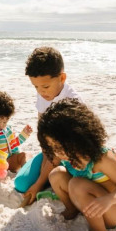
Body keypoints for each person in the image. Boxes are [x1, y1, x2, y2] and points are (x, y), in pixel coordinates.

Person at [38, 99, 116, 231]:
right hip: (88, 202)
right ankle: (72, 209)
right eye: (52, 147)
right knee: (56, 174)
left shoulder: (102, 158)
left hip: (110, 210)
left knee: (77, 184)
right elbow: (51, 168)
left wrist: (107, 200)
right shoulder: (67, 156)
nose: (56, 151)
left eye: (59, 146)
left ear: (77, 137)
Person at [14, 47, 83, 205]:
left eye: (45, 87)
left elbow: (59, 152)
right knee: (21, 185)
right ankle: (48, 179)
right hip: (52, 152)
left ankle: (51, 181)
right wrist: (45, 155)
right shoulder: (44, 94)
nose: (41, 92)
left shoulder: (72, 103)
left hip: (72, 157)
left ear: (62, 78)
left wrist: (38, 184)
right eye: (35, 87)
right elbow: (44, 135)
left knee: (50, 181)